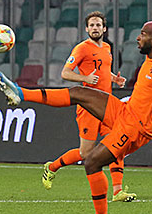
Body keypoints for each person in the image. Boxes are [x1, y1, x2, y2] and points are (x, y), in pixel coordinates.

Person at [0, 20, 152, 214]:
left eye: (143, 34)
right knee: (79, 92)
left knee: (91, 162)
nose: (138, 38)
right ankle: (20, 93)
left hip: (136, 128)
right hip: (124, 111)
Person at [42, 11, 137, 203]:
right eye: (91, 25)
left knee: (118, 143)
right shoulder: (82, 49)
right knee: (86, 153)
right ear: (87, 29)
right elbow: (65, 73)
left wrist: (113, 79)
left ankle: (118, 191)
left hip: (108, 105)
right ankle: (51, 167)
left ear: (104, 28)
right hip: (89, 106)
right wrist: (84, 78)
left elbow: (103, 71)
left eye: (98, 25)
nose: (95, 28)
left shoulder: (107, 48)